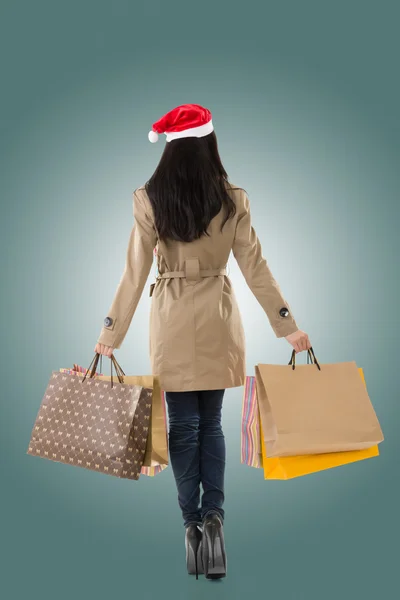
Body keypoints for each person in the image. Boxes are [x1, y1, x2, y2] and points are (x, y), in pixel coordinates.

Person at [94, 103, 311, 580]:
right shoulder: (232, 198)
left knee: (183, 426)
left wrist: (110, 333)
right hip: (217, 312)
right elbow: (256, 267)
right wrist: (286, 325)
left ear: (170, 150)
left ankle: (191, 527)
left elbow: (134, 273)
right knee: (210, 424)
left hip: (170, 315)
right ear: (210, 143)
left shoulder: (150, 198)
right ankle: (215, 519)